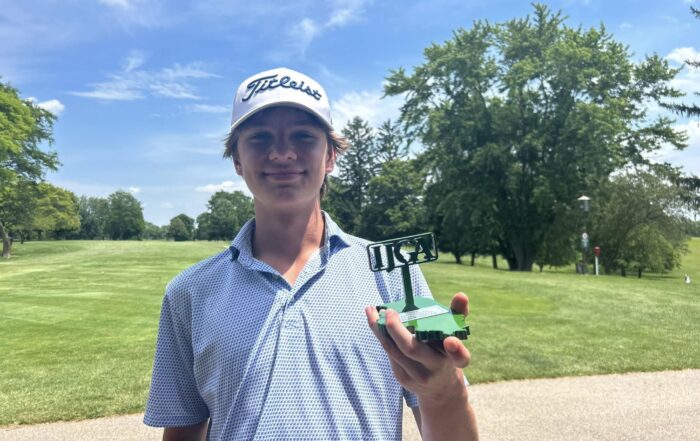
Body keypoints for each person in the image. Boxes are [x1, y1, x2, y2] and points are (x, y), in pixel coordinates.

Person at [144, 67, 478, 441]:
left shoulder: (392, 275)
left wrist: (446, 393)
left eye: (303, 136)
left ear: (330, 156)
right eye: (260, 138)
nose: (282, 153)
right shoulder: (190, 292)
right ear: (236, 159)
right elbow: (183, 430)